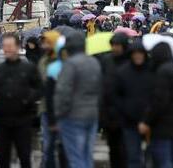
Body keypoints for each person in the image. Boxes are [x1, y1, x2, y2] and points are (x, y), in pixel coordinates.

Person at [0, 33, 42, 168]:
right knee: (3, 158)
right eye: (5, 46)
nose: (7, 49)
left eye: (10, 46)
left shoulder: (29, 68)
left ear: (18, 47)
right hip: (2, 120)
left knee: (24, 156)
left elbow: (39, 89)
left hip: (23, 120)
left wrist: (28, 99)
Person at [54, 32, 102, 168]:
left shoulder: (70, 64)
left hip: (72, 115)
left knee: (75, 157)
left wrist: (58, 114)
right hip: (92, 114)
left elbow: (63, 92)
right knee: (87, 155)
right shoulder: (94, 62)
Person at [139, 42, 173, 168]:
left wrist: (147, 121)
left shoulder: (163, 72)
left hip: (162, 124)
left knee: (163, 160)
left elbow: (159, 100)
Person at [113, 41, 153, 168]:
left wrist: (147, 120)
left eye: (140, 54)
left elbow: (156, 97)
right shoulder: (123, 72)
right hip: (129, 122)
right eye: (135, 54)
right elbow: (117, 96)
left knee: (150, 158)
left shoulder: (151, 72)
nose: (137, 56)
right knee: (133, 157)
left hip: (149, 123)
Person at [99, 33, 130, 168]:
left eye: (118, 45)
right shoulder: (106, 60)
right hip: (109, 112)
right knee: (113, 148)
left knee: (125, 148)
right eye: (114, 45)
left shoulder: (129, 61)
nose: (116, 48)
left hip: (126, 112)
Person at [44, 36, 68, 168]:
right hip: (54, 113)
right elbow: (49, 95)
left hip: (71, 115)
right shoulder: (53, 68)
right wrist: (52, 120)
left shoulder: (75, 67)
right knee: (51, 147)